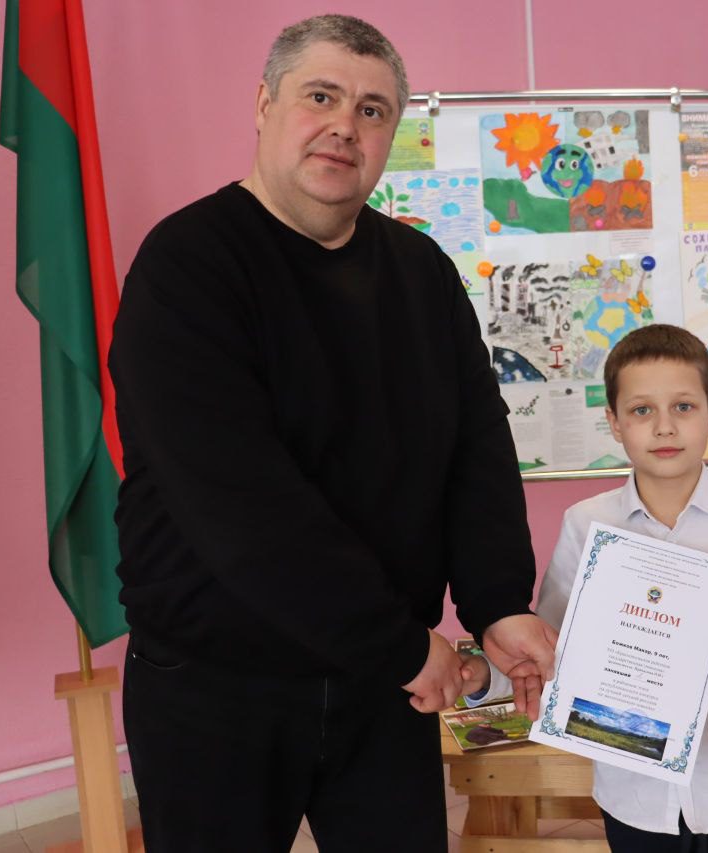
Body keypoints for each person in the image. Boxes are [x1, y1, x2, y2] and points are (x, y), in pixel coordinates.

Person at [108, 14, 556, 853]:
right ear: (264, 104)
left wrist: (499, 601)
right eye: (321, 96)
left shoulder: (422, 273)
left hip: (382, 688)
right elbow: (243, 505)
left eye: (372, 109)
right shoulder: (187, 266)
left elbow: (477, 450)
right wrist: (399, 645)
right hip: (218, 686)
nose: (345, 125)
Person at [462, 324, 708, 852]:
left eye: (684, 407)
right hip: (634, 794)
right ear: (614, 422)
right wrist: (485, 675)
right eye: (642, 410)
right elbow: (551, 640)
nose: (664, 427)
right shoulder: (587, 524)